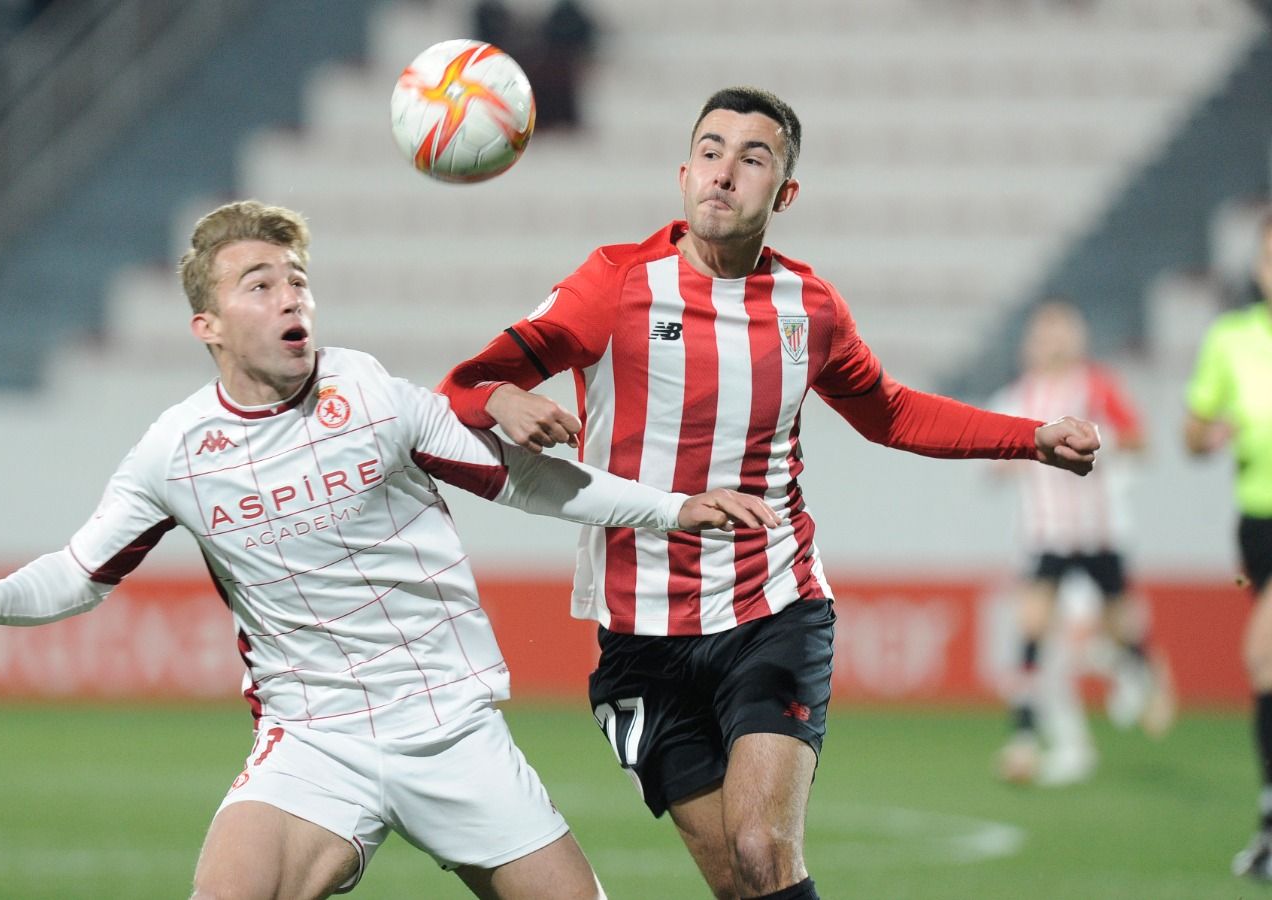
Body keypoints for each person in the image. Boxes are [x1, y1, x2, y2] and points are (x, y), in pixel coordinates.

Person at [0, 200, 773, 900]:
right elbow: (79, 573)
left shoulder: (373, 393)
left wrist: (672, 509)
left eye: (298, 281)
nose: (290, 298)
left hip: (448, 728)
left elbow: (525, 480)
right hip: (316, 738)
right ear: (210, 326)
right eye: (260, 284)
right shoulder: (176, 451)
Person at [437, 87, 1102, 900]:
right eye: (711, 153)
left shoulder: (808, 308)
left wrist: (1027, 435)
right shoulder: (613, 284)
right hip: (642, 637)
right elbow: (464, 386)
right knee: (743, 885)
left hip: (771, 608)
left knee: (762, 849)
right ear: (683, 174)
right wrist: (502, 398)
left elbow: (888, 413)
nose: (725, 174)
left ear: (783, 194)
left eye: (752, 159)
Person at [992, 300, 1173, 787]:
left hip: (1096, 531)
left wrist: (1103, 440)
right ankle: (1025, 736)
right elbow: (993, 458)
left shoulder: (1095, 387)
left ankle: (1143, 676)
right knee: (1031, 625)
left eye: (1062, 332)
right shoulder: (1018, 396)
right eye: (1045, 333)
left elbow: (1140, 440)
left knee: (1118, 623)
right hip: (1046, 534)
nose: (1053, 342)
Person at [1187, 211, 1272, 881]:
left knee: (1263, 656)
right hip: (1257, 525)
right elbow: (1192, 430)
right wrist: (1209, 435)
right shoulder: (1232, 338)